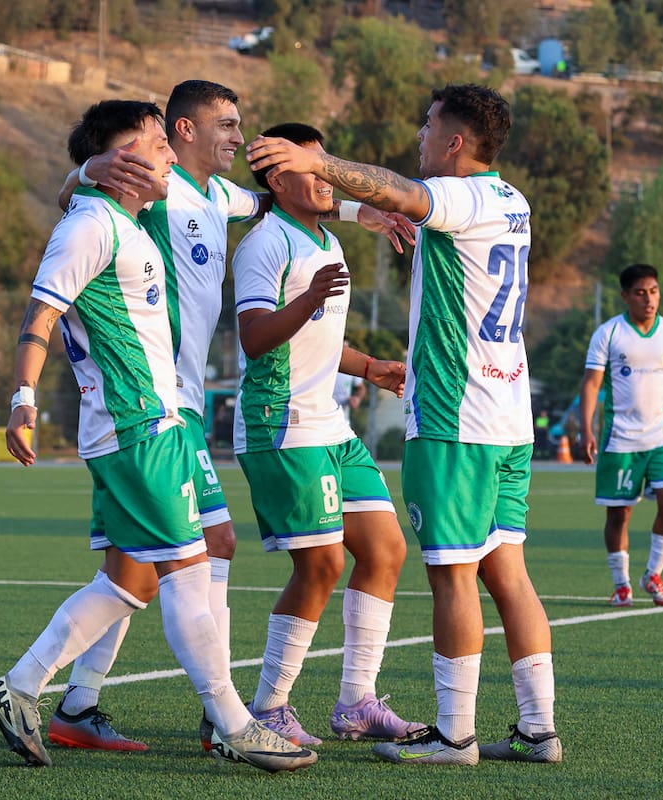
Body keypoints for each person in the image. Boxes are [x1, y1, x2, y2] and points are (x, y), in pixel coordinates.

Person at [53, 80, 411, 752]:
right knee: (202, 549)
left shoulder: (222, 197)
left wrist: (358, 208)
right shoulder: (155, 191)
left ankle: (79, 706)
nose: (239, 138)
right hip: (146, 403)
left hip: (175, 403)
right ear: (183, 131)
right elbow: (80, 203)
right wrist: (82, 171)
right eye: (226, 124)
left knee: (133, 566)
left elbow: (284, 194)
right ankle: (229, 719)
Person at [0, 99, 316, 773]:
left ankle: (20, 688)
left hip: (149, 425)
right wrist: (21, 402)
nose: (167, 153)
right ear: (121, 161)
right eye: (155, 143)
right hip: (139, 429)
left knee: (129, 580)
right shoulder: (92, 225)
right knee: (189, 571)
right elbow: (41, 312)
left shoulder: (131, 222)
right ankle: (233, 724)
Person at [247, 83, 562, 765]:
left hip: (455, 421)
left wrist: (317, 160)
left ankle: (456, 737)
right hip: (510, 419)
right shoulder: (513, 200)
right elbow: (397, 203)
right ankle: (539, 730)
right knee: (509, 571)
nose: (420, 138)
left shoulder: (462, 196)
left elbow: (400, 192)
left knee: (452, 575)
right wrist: (355, 203)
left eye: (428, 127)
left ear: (455, 142)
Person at [233, 122, 424, 747]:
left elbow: (318, 340)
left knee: (387, 551)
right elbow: (256, 339)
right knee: (320, 564)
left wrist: (369, 366)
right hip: (281, 422)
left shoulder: (326, 240)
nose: (325, 179)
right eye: (311, 169)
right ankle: (268, 707)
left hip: (331, 425)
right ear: (276, 176)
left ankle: (356, 704)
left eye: (326, 167)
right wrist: (310, 296)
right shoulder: (265, 244)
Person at [577, 263, 663, 610]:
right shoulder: (609, 334)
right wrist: (586, 428)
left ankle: (653, 573)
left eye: (653, 291)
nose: (648, 299)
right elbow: (591, 384)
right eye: (640, 292)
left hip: (662, 438)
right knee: (618, 516)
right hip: (620, 441)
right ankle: (621, 584)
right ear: (625, 296)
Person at [333, 343, 368, 426]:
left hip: (342, 421)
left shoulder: (352, 368)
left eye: (346, 349)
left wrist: (357, 398)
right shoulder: (322, 366)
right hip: (319, 421)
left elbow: (361, 388)